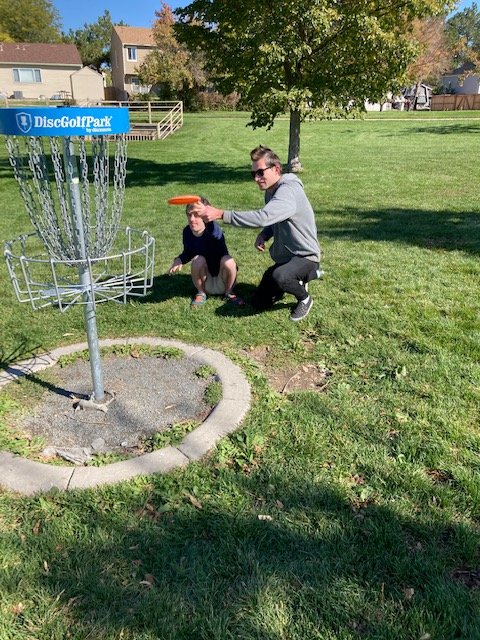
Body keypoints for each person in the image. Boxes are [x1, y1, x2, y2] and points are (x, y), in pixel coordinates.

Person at [190, 146, 321, 321]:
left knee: (280, 276)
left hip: (305, 256)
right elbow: (276, 218)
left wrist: (221, 214)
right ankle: (292, 279)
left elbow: (264, 217)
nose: (257, 179)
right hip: (286, 258)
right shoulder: (271, 192)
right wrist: (265, 234)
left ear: (276, 169)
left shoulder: (288, 191)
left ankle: (304, 297)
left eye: (260, 172)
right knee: (260, 302)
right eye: (253, 174)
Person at [168, 197, 244, 307]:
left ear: (206, 216)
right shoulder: (187, 232)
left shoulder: (214, 229)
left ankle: (229, 292)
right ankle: (201, 293)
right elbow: (188, 252)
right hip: (205, 280)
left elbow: (213, 232)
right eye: (189, 215)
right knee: (198, 260)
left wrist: (207, 217)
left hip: (222, 279)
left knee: (228, 260)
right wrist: (178, 260)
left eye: (197, 215)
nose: (192, 219)